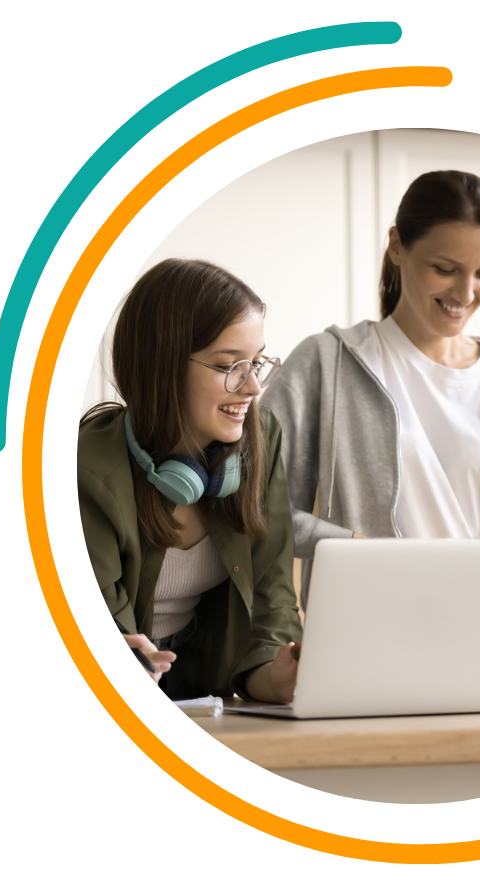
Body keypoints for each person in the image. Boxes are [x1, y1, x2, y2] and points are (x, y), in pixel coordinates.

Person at [261, 170, 480, 665]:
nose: (466, 291)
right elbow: (255, 506)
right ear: (397, 246)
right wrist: (351, 548)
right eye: (446, 268)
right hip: (376, 655)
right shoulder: (327, 364)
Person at [78, 258, 302, 700]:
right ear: (160, 365)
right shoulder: (89, 468)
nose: (253, 386)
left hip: (205, 687)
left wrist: (275, 677)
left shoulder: (262, 437)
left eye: (256, 363)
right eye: (230, 366)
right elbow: (94, 627)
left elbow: (271, 592)